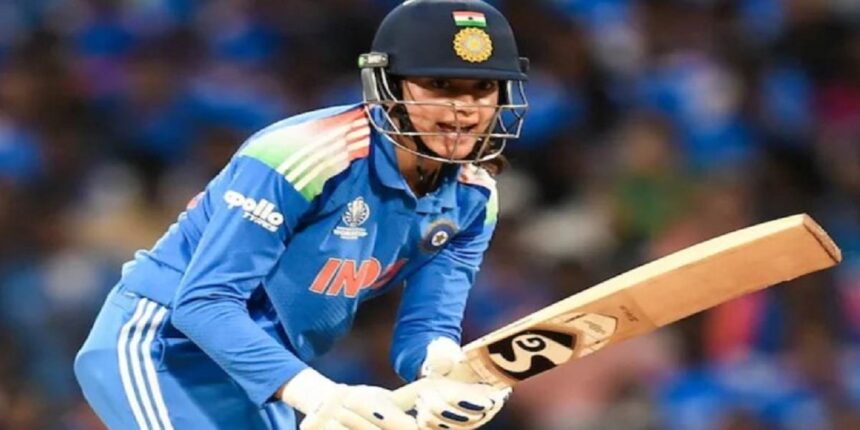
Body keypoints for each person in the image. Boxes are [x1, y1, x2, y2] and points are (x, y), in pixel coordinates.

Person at [73, 0, 529, 428]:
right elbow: (204, 303)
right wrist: (321, 395)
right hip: (164, 347)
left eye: (483, 88)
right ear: (388, 86)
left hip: (263, 373)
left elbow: (426, 326)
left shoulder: (474, 198)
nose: (464, 108)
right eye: (440, 85)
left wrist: (442, 373)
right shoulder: (300, 155)